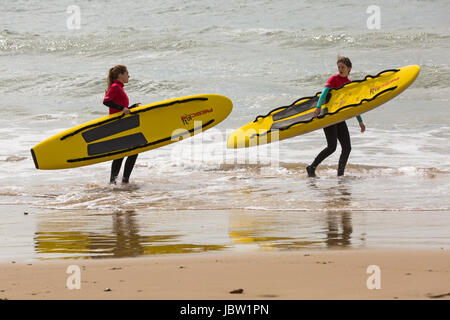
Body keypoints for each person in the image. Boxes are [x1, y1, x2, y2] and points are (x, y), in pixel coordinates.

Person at [306, 56, 366, 177]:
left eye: (343, 67)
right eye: (339, 67)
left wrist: (360, 121)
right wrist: (318, 108)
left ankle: (340, 174)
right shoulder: (334, 79)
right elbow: (323, 95)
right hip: (329, 116)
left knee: (347, 147)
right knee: (332, 147)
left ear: (349, 68)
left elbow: (353, 104)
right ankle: (311, 167)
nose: (340, 69)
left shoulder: (349, 84)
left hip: (339, 118)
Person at [103, 65, 141, 184]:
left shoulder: (119, 87)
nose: (128, 76)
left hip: (122, 124)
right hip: (118, 125)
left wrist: (130, 108)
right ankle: (121, 181)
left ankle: (116, 182)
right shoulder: (115, 87)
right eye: (126, 73)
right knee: (130, 151)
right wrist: (122, 108)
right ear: (120, 75)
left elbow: (119, 109)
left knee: (126, 152)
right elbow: (106, 101)